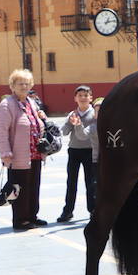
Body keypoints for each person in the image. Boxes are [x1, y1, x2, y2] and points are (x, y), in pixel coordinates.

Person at [0, 68, 48, 231]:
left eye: (27, 83)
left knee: (34, 186)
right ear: (12, 86)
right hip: (18, 155)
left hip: (35, 153)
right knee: (19, 188)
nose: (24, 86)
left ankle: (32, 216)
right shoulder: (7, 104)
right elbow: (1, 131)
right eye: (20, 84)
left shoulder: (31, 102)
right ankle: (21, 220)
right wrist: (5, 153)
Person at [56, 86, 97, 223]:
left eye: (86, 95)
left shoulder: (94, 114)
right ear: (75, 98)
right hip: (74, 151)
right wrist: (69, 123)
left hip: (90, 151)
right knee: (71, 182)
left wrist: (78, 124)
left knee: (90, 182)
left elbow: (84, 136)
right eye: (80, 95)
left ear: (91, 98)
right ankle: (68, 211)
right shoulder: (73, 114)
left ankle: (93, 210)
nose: (83, 98)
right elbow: (65, 131)